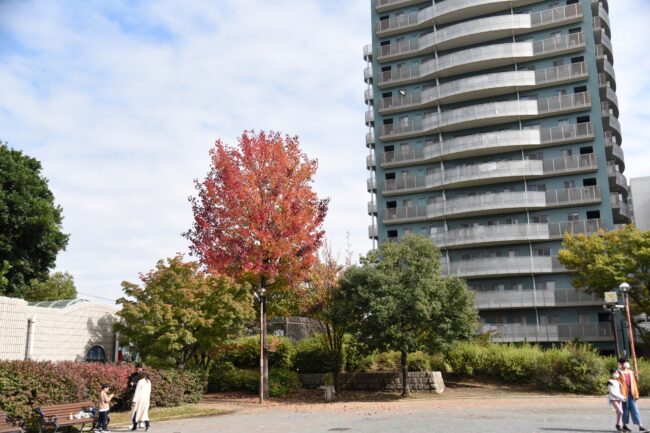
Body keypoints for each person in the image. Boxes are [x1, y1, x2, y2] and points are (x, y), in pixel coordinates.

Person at [618, 358, 648, 432]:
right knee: (624, 411)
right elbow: (615, 381)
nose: (627, 364)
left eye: (627, 362)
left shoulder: (630, 372)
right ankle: (624, 425)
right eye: (625, 362)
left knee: (635, 410)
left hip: (631, 394)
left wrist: (636, 394)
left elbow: (634, 384)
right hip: (623, 395)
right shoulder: (618, 372)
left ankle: (640, 426)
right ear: (621, 364)